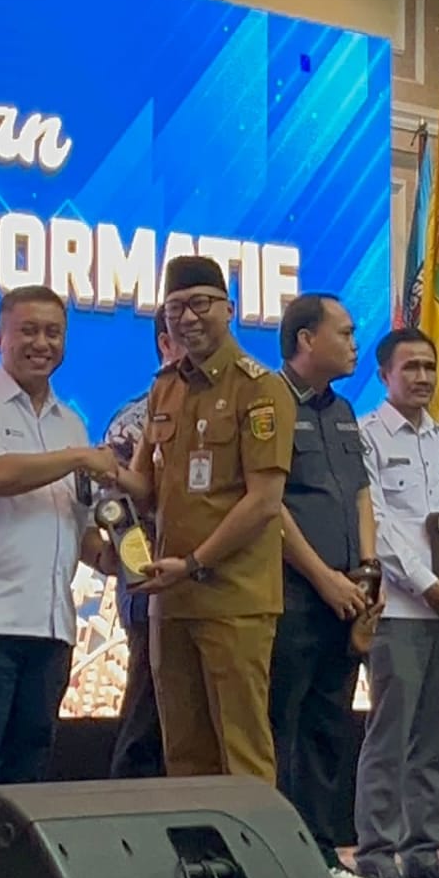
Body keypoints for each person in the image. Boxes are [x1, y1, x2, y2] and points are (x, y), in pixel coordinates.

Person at [0, 284, 115, 878]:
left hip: (50, 621)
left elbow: (78, 528)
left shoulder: (70, 422)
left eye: (53, 332)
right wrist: (80, 458)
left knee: (29, 770)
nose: (41, 343)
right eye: (28, 331)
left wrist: (125, 563)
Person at [116, 256, 295, 785]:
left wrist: (194, 562)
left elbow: (263, 502)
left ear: (229, 309)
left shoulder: (260, 388)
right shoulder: (164, 388)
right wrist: (96, 467)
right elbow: (144, 487)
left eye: (200, 304)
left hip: (234, 598)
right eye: (175, 308)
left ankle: (252, 843)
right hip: (170, 601)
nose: (188, 318)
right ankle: (196, 845)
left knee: (242, 752)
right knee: (184, 752)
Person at [354, 327, 439, 878]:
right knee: (390, 735)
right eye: (410, 367)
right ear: (384, 375)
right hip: (400, 607)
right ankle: (377, 853)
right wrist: (427, 583)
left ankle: (424, 851)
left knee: (437, 737)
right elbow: (377, 522)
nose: (424, 377)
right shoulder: (367, 435)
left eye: (430, 367)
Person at [268, 294, 387, 878]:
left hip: (347, 594)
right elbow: (271, 505)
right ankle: (282, 857)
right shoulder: (269, 402)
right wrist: (323, 578)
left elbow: (361, 494)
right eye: (343, 332)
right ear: (306, 339)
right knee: (282, 726)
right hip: (294, 592)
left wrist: (366, 570)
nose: (354, 343)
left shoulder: (340, 410)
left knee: (327, 726)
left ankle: (320, 853)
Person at [103, 308, 182, 780]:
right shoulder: (133, 422)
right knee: (147, 718)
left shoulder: (229, 410)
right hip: (153, 588)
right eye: (182, 335)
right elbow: (116, 511)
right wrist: (143, 577)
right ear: (164, 345)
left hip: (218, 586)